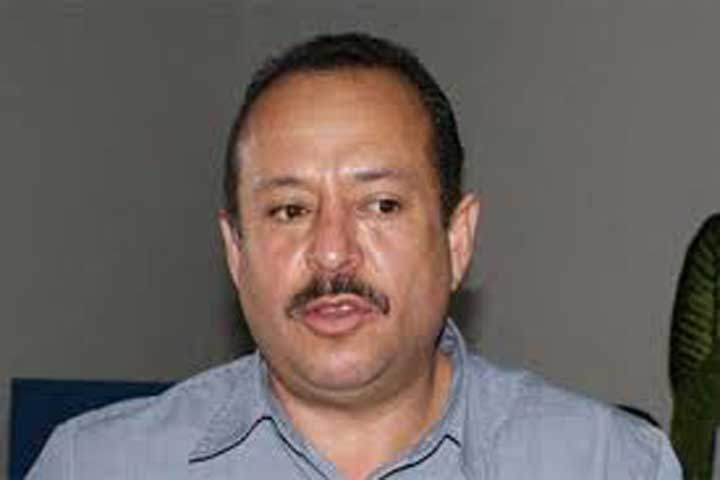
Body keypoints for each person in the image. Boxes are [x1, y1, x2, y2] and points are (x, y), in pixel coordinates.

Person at [28, 32, 681, 479]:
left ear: (456, 241)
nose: (332, 252)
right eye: (290, 210)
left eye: (381, 205)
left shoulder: (611, 465)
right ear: (236, 252)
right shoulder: (95, 466)